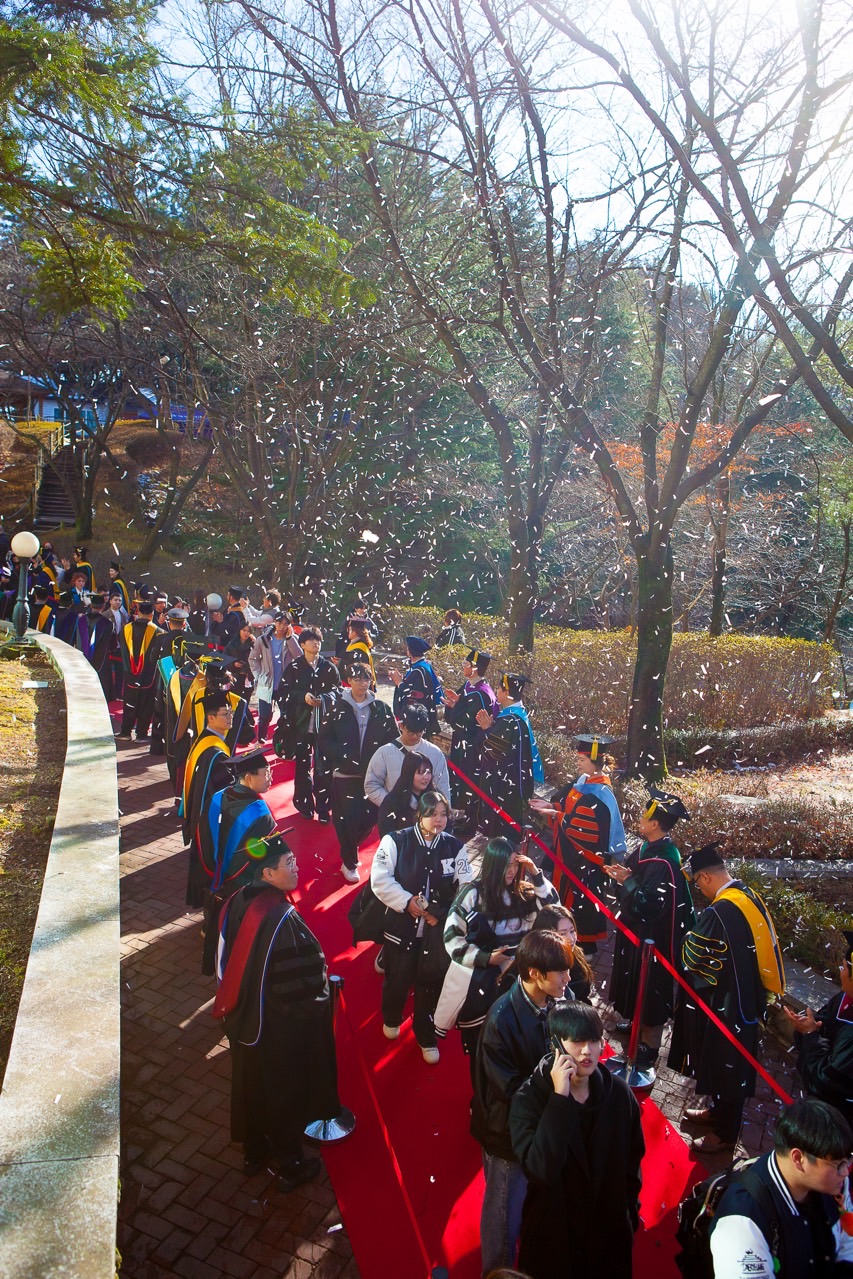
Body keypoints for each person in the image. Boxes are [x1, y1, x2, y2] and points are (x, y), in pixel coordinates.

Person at [213, 836, 342, 1190]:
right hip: (275, 1025)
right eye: (289, 863)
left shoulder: (235, 900)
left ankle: (254, 1153)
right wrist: (317, 1005)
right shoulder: (282, 918)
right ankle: (290, 1165)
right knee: (283, 1091)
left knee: (250, 1085)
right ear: (268, 874)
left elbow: (221, 956)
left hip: (240, 1016)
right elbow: (303, 980)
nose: (297, 868)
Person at [510, 1002, 645, 1279]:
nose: (587, 1051)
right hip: (555, 1240)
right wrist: (559, 1099)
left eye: (594, 1041)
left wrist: (628, 1215)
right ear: (556, 1045)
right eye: (577, 1041)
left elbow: (633, 1162)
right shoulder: (529, 1100)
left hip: (607, 1239)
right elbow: (540, 1170)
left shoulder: (619, 1095)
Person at [470, 929, 574, 1278]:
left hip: (540, 1124)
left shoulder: (558, 1000)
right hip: (507, 1136)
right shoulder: (501, 1019)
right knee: (503, 1217)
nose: (568, 978)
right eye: (561, 972)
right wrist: (556, 1086)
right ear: (534, 973)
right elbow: (508, 1090)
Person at [669, 842, 785, 1152]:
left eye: (698, 883)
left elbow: (693, 959)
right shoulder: (747, 895)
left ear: (705, 877)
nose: (700, 889)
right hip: (747, 996)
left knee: (728, 1063)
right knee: (726, 1061)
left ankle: (724, 1134)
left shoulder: (720, 911)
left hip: (728, 1003)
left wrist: (685, 941)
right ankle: (717, 1111)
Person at [370, 790, 471, 1063]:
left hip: (435, 931)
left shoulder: (455, 847)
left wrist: (442, 915)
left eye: (443, 814)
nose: (439, 820)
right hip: (401, 926)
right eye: (432, 814)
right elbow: (380, 879)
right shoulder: (396, 840)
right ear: (420, 815)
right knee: (398, 977)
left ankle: (426, 1036)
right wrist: (406, 902)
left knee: (431, 984)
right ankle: (392, 1017)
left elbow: (466, 888)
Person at [439, 837, 559, 1065]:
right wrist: (485, 958)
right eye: (506, 865)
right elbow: (451, 937)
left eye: (515, 864)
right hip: (483, 979)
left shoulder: (523, 892)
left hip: (518, 979)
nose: (512, 871)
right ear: (493, 864)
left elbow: (554, 910)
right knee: (482, 1043)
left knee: (514, 1045)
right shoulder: (473, 894)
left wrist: (536, 874)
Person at [604, 785, 696, 1067]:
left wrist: (627, 881)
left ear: (655, 824)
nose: (641, 819)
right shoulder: (648, 848)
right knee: (635, 979)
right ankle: (636, 1024)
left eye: (645, 816)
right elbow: (635, 877)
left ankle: (650, 1043)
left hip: (653, 938)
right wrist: (624, 876)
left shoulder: (664, 860)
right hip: (637, 935)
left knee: (650, 985)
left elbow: (650, 905)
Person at [709, 1098, 853, 1278]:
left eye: (848, 1160)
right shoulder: (742, 1223)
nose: (846, 1172)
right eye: (838, 1164)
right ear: (798, 1158)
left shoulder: (834, 1185)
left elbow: (848, 1239)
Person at [530, 733, 627, 950]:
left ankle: (583, 949)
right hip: (567, 856)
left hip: (584, 862)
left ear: (595, 762)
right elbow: (567, 808)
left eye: (582, 760)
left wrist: (556, 815)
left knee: (581, 905)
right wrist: (551, 806)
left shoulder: (600, 792)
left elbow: (583, 831)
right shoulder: (583, 782)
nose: (578, 763)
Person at [198, 749, 277, 975]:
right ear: (249, 777)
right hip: (240, 888)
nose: (271, 778)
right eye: (266, 773)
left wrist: (216, 871)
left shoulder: (217, 797)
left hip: (214, 875)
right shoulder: (260, 814)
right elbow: (266, 859)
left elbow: (203, 838)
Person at [318, 661, 399, 882]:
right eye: (357, 678)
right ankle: (349, 861)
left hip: (372, 776)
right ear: (348, 681)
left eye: (366, 678)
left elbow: (393, 739)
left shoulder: (381, 709)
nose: (362, 683)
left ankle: (350, 845)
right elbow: (324, 739)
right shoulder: (337, 708)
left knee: (371, 817)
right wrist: (342, 754)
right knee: (347, 819)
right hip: (345, 775)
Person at [784, 929, 853, 1127]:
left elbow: (826, 1083)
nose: (841, 973)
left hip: (837, 1123)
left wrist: (810, 1034)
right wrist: (808, 1027)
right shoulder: (844, 999)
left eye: (844, 968)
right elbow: (822, 1020)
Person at [275, 626, 340, 821]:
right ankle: (304, 804)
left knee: (324, 767)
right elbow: (283, 692)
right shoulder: (294, 667)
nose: (315, 643)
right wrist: (302, 696)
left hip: (324, 726)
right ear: (302, 644)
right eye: (311, 640)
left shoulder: (329, 668)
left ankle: (323, 807)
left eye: (318, 640)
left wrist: (326, 699)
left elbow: (338, 691)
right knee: (302, 767)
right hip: (301, 725)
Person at [475, 674, 544, 837]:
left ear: (506, 693)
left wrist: (486, 730)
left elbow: (492, 750)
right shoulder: (519, 714)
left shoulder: (509, 720)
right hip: (515, 780)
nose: (496, 691)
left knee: (503, 832)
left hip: (505, 786)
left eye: (499, 689)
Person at [182, 691, 233, 907]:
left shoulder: (204, 741)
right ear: (210, 718)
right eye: (225, 714)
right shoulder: (214, 752)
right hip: (208, 819)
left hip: (199, 812)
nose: (230, 717)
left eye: (230, 712)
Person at [444, 648, 498, 836]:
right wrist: (455, 704)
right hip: (463, 744)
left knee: (469, 781)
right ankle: (462, 815)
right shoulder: (470, 686)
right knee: (461, 780)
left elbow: (462, 721)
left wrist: (455, 707)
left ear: (474, 668)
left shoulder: (481, 694)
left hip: (472, 747)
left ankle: (470, 822)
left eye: (466, 663)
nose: (463, 666)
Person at [364, 704, 451, 810]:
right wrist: (392, 804)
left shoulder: (435, 753)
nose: (414, 736)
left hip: (427, 814)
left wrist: (443, 810)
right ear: (401, 726)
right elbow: (371, 786)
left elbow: (442, 786)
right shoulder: (384, 752)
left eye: (419, 733)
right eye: (410, 732)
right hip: (395, 814)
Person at [249, 611, 302, 742]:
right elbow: (253, 659)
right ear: (274, 623)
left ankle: (284, 741)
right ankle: (261, 739)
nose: (282, 626)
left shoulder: (292, 639)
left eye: (285, 624)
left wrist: (290, 639)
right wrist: (259, 675)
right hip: (267, 682)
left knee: (286, 714)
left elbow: (299, 658)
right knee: (264, 715)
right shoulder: (264, 639)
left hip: (285, 684)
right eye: (279, 623)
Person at [529, 904, 594, 1003]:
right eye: (562, 934)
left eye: (572, 931)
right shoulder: (543, 967)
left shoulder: (575, 952)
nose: (571, 939)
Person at [118, 600, 162, 740]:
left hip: (129, 673)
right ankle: (141, 734)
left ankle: (125, 732)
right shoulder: (158, 632)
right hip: (149, 675)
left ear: (138, 612)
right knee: (146, 704)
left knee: (129, 702)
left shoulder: (125, 629)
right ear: (152, 614)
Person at [389, 635, 444, 735]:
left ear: (410, 651)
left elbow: (416, 697)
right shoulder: (424, 666)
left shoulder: (419, 671)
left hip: (416, 722)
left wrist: (400, 683)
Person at [377, 750, 434, 836]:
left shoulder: (435, 797)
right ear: (409, 773)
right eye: (421, 773)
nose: (426, 777)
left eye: (428, 772)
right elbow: (387, 835)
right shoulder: (392, 802)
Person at [75, 593, 114, 699]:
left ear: (91, 605)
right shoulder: (107, 624)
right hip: (101, 662)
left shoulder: (81, 620)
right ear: (104, 606)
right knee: (101, 689)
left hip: (82, 659)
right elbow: (112, 644)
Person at [337, 616, 377, 686]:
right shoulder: (361, 645)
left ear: (354, 633)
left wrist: (340, 663)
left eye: (349, 630)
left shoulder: (357, 648)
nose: (348, 632)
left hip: (355, 685)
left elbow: (354, 667)